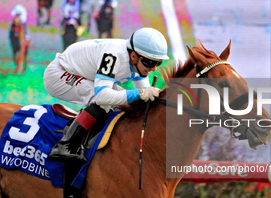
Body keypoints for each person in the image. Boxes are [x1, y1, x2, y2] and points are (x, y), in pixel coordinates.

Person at [44, 27, 169, 162]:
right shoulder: (113, 55)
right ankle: (64, 145)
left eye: (158, 63)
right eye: (150, 62)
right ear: (133, 56)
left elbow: (144, 98)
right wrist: (141, 93)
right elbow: (102, 96)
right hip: (58, 73)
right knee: (103, 101)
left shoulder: (138, 62)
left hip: (83, 74)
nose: (154, 68)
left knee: (125, 99)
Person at [9, 4, 31, 74]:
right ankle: (10, 36)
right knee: (12, 27)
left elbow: (23, 20)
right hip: (16, 26)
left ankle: (27, 35)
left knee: (23, 27)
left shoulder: (22, 15)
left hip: (21, 23)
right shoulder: (14, 12)